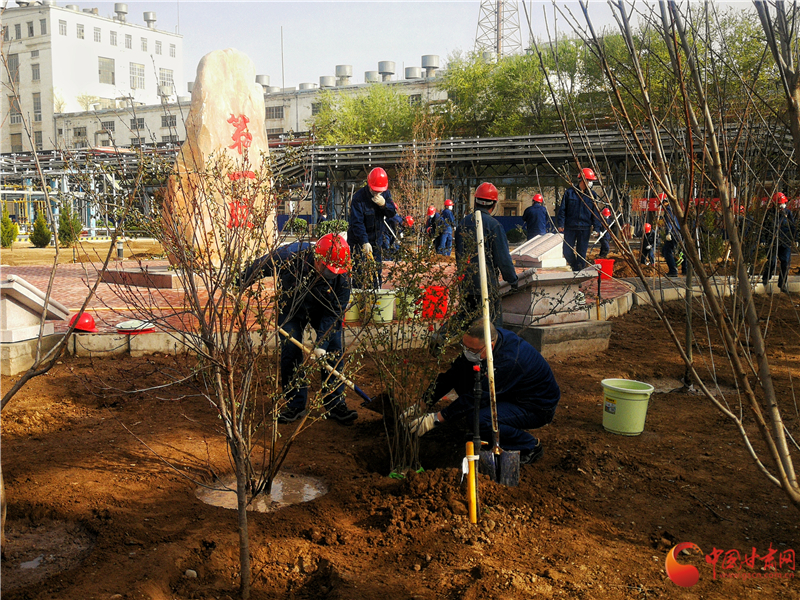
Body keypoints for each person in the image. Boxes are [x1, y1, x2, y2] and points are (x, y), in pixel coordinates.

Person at [240, 233, 358, 425]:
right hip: (292, 307)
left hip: (324, 309)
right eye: (328, 271)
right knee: (290, 348)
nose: (332, 274)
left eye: (335, 272)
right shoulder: (290, 255)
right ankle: (295, 405)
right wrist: (239, 281)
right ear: (317, 259)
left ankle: (335, 404)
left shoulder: (342, 276)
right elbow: (261, 265)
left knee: (334, 348)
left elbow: (335, 313)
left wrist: (321, 343)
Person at [405, 319, 560, 464]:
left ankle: (530, 445)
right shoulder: (484, 339)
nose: (467, 352)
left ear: (490, 346)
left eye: (471, 349)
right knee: (463, 374)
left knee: (479, 420)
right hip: (511, 392)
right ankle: (488, 430)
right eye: (464, 347)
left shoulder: (510, 360)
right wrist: (423, 403)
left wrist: (437, 418)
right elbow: (452, 375)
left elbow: (478, 397)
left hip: (536, 406)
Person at [454, 182, 519, 328]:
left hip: (466, 283)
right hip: (487, 284)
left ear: (475, 201)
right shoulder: (494, 225)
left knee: (468, 323)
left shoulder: (462, 224)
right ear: (494, 204)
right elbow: (503, 259)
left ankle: (443, 340)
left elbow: (459, 256)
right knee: (493, 327)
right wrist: (513, 280)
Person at [347, 167, 397, 288]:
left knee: (376, 271)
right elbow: (357, 223)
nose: (377, 193)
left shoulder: (385, 194)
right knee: (358, 271)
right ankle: (358, 297)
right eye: (374, 190)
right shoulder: (358, 198)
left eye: (379, 191)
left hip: (376, 239)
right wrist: (364, 241)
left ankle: (375, 295)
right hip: (358, 240)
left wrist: (384, 205)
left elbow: (392, 213)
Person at [556, 168, 603, 271]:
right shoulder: (570, 193)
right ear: (583, 180)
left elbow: (595, 213)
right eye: (589, 180)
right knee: (567, 251)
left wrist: (597, 228)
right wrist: (561, 224)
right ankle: (575, 267)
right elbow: (562, 209)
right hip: (570, 227)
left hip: (584, 228)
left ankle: (579, 272)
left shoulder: (592, 195)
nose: (591, 183)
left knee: (582, 254)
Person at [762, 192, 796, 293]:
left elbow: (792, 227)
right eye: (780, 203)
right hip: (772, 241)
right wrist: (763, 240)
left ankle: (782, 284)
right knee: (772, 262)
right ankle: (765, 279)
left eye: (783, 203)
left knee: (785, 263)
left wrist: (794, 239)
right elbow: (764, 227)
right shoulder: (770, 214)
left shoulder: (788, 213)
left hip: (785, 242)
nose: (782, 205)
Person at [660, 195, 684, 277]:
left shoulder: (668, 210)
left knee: (667, 251)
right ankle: (681, 268)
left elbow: (669, 222)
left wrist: (668, 233)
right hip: (677, 233)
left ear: (665, 202)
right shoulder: (672, 209)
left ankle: (673, 270)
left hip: (673, 234)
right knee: (666, 250)